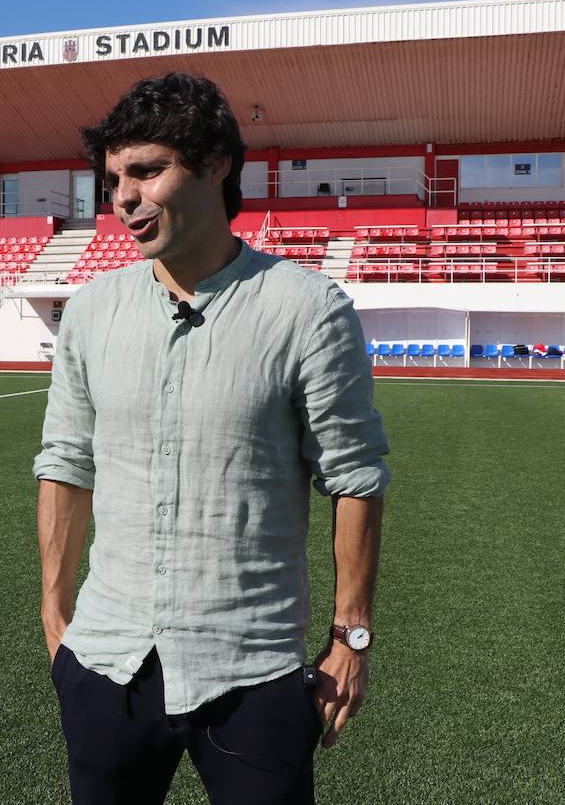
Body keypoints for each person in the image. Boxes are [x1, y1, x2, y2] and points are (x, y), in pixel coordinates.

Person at [33, 72, 390, 805]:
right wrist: (54, 614)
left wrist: (350, 636)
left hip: (252, 668)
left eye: (147, 171)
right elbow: (65, 463)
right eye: (113, 179)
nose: (125, 197)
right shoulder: (92, 311)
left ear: (217, 163)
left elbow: (354, 475)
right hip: (106, 661)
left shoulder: (307, 310)